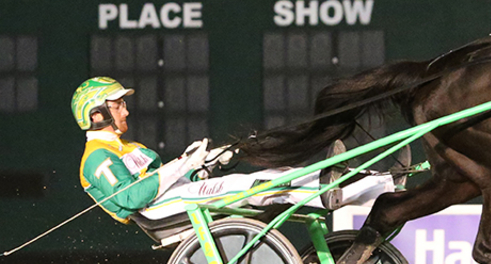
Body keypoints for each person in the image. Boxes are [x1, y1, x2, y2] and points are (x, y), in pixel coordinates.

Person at [72, 76, 393, 223]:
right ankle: (360, 190)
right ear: (97, 114)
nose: (126, 111)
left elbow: (165, 178)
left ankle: (379, 184)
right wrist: (184, 163)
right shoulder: (96, 158)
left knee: (278, 174)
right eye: (118, 106)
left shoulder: (129, 146)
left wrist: (207, 163)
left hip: (179, 195)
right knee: (255, 186)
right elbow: (130, 198)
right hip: (161, 210)